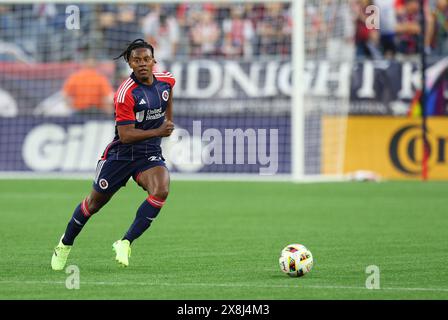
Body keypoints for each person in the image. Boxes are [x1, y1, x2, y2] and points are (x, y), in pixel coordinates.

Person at [51, 39, 175, 269]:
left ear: (153, 60)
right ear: (129, 63)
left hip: (149, 152)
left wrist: (168, 120)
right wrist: (160, 130)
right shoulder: (125, 93)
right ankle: (65, 244)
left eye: (146, 59)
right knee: (94, 204)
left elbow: (168, 97)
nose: (142, 64)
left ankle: (125, 242)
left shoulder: (167, 80)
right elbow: (126, 135)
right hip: (121, 155)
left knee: (161, 190)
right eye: (136, 60)